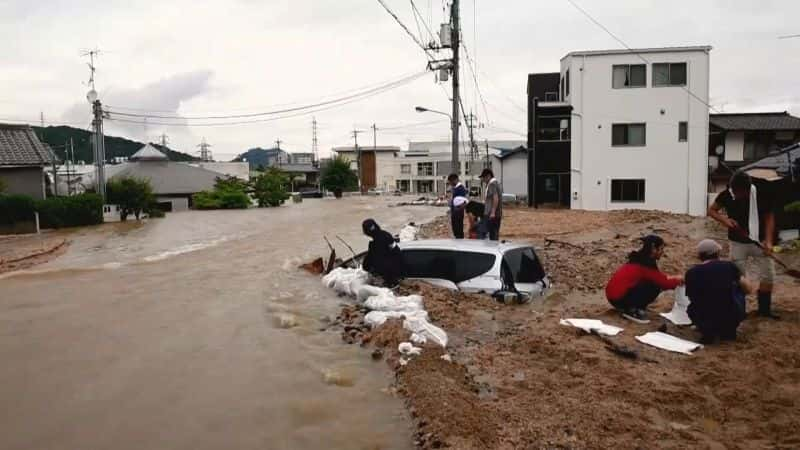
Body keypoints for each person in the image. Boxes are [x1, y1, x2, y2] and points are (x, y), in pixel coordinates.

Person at [708, 171, 779, 319]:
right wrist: (725, 221)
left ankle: (764, 311)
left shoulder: (762, 192)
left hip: (759, 242)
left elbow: (769, 217)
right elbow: (712, 210)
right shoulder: (727, 194)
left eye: (739, 193)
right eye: (734, 191)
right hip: (737, 242)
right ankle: (739, 309)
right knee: (737, 277)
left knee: (768, 276)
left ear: (748, 189)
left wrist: (769, 240)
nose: (736, 195)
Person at [685, 239, 757, 344]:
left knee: (697, 303)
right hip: (730, 317)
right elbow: (748, 289)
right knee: (738, 289)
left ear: (699, 256)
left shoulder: (691, 273)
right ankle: (728, 332)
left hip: (703, 319)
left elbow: (691, 297)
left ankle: (707, 332)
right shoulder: (729, 266)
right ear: (717, 253)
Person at [605, 235, 684, 323]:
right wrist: (679, 281)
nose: (662, 252)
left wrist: (674, 278)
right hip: (619, 299)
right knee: (654, 286)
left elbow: (658, 276)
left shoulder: (638, 259)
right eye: (661, 249)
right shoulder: (646, 264)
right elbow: (663, 282)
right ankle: (631, 310)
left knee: (652, 282)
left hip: (612, 297)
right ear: (654, 249)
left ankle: (631, 306)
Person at [361, 219, 403, 287]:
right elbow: (396, 251)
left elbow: (370, 260)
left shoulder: (374, 245)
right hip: (395, 271)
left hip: (388, 276)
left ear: (366, 232)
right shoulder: (386, 235)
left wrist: (366, 266)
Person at [479, 168, 503, 241]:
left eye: (484, 177)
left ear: (488, 176)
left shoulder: (492, 184)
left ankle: (493, 249)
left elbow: (495, 198)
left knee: (493, 234)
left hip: (492, 215)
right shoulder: (494, 184)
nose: (483, 180)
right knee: (493, 234)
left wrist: (492, 212)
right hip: (494, 214)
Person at [447, 173, 469, 239]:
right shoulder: (455, 188)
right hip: (455, 212)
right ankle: (458, 242)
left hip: (458, 213)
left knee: (458, 230)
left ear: (455, 180)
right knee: (456, 230)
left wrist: (457, 209)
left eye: (451, 181)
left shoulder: (460, 189)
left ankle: (459, 245)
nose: (450, 183)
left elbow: (464, 202)